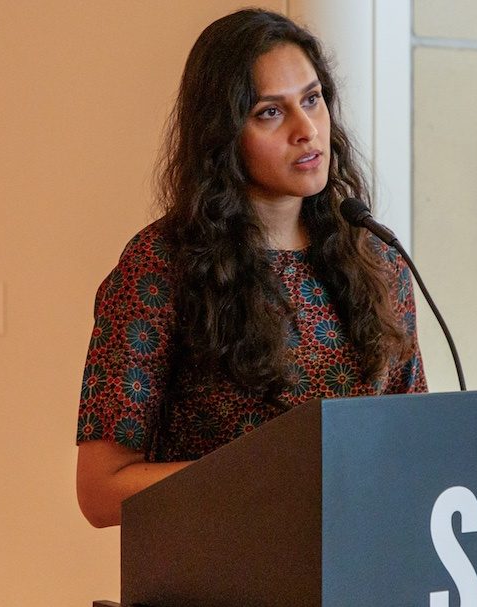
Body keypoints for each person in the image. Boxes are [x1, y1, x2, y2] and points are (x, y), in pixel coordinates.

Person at [74, 8, 426, 528]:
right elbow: (101, 493)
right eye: (269, 112)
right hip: (220, 575)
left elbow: (412, 442)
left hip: (361, 565)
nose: (307, 130)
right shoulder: (161, 267)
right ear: (223, 135)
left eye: (313, 99)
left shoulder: (376, 257)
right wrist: (272, 473)